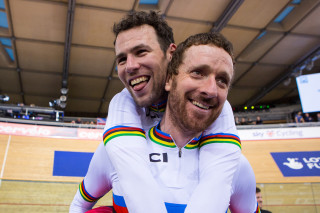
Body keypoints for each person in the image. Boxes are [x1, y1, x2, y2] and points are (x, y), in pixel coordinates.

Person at [70, 11, 241, 213]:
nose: (131, 66)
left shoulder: (219, 108)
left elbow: (218, 183)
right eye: (122, 59)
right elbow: (84, 202)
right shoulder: (122, 104)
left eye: (141, 52)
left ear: (172, 54)